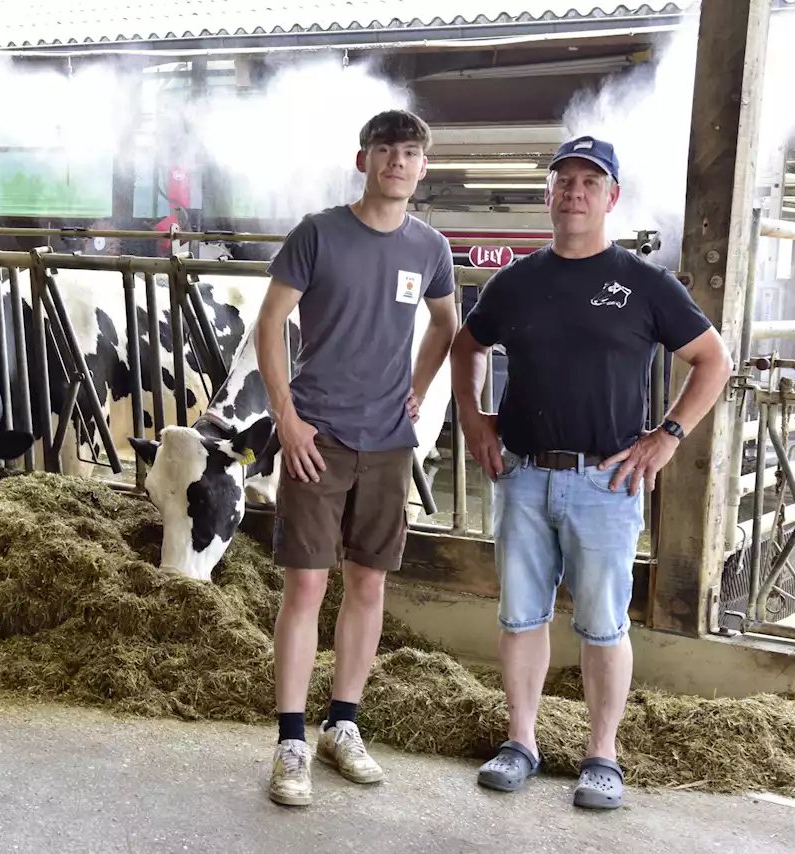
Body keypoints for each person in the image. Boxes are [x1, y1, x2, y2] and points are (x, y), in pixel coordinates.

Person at [450, 135, 732, 810]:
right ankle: (520, 742)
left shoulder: (645, 283)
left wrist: (666, 437)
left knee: (604, 623)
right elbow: (467, 346)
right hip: (522, 475)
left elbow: (713, 360)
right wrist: (474, 416)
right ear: (549, 195)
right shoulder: (516, 282)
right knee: (520, 617)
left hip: (606, 483)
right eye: (563, 180)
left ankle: (602, 757)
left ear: (612, 197)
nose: (574, 192)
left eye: (589, 181)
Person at [256, 109, 459, 807]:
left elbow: (445, 323)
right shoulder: (319, 233)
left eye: (409, 153)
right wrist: (287, 418)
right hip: (319, 436)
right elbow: (271, 321)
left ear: (422, 167)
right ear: (362, 159)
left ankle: (342, 725)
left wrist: (419, 388)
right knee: (307, 586)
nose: (396, 163)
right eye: (384, 151)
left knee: (368, 585)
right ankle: (289, 741)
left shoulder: (430, 246)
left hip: (388, 444)